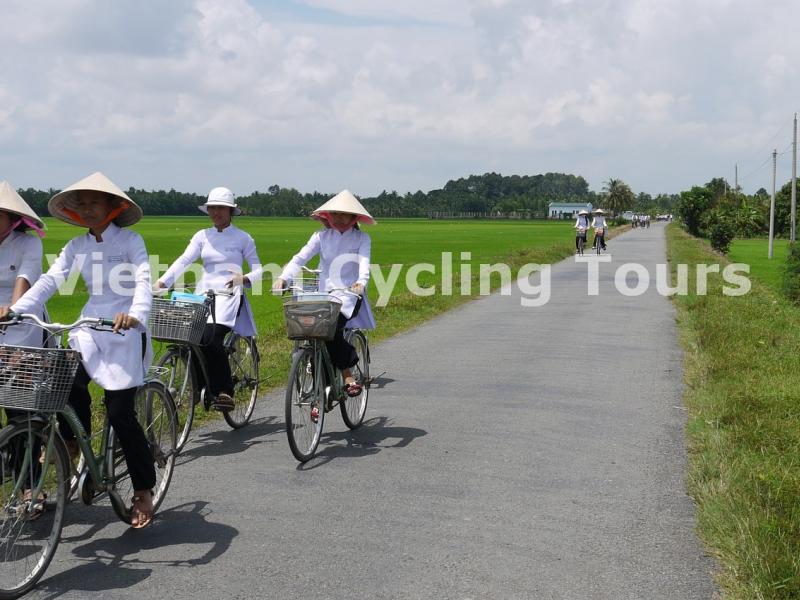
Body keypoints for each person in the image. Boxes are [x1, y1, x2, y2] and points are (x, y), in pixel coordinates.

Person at [0, 172, 157, 529]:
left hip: (124, 331)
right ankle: (73, 441)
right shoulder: (75, 247)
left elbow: (144, 282)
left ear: (113, 207)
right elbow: (49, 280)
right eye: (81, 203)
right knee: (65, 382)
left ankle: (143, 489)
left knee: (120, 414)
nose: (86, 209)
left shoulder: (132, 241)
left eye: (94, 203)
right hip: (89, 328)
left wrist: (135, 314)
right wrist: (20, 310)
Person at [156, 187, 262, 411]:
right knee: (190, 338)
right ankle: (200, 387)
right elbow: (184, 260)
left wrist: (243, 278)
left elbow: (259, 271)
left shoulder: (243, 238)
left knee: (212, 339)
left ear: (231, 211)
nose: (216, 212)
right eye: (212, 208)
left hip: (229, 296)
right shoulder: (202, 236)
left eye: (221, 208)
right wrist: (163, 282)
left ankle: (224, 390)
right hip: (204, 295)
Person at [272, 190, 376, 398]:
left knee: (329, 331)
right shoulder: (320, 236)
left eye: (343, 214)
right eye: (334, 214)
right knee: (309, 331)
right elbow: (300, 258)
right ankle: (323, 391)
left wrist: (360, 282)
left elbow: (364, 263)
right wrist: (284, 278)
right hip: (322, 295)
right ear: (328, 216)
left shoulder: (361, 238)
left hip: (348, 295)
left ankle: (347, 374)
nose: (338, 218)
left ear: (354, 217)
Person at [0, 181, 47, 350]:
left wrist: (13, 311)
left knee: (22, 369)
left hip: (22, 314)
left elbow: (25, 277)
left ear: (13, 219)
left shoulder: (29, 243)